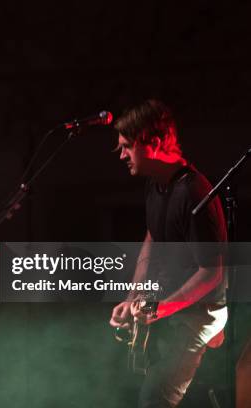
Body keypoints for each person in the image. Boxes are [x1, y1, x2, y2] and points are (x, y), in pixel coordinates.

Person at [108, 99, 228, 407]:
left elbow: (211, 273)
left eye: (127, 146)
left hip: (202, 313)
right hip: (174, 304)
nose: (120, 155)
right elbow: (153, 235)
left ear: (156, 142)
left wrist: (158, 308)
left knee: (154, 398)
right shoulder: (156, 184)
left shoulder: (194, 192)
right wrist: (134, 295)